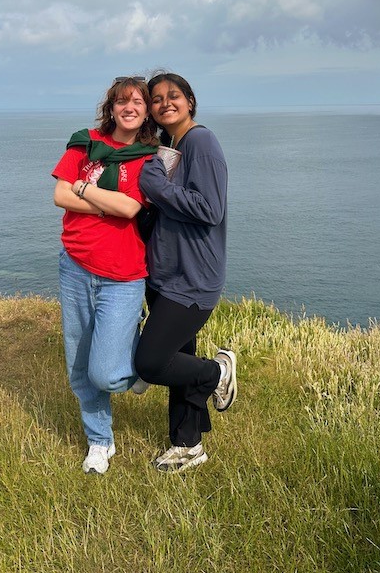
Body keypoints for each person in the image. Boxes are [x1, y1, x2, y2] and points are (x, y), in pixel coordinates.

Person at [52, 77, 158, 474]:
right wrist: (101, 202)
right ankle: (99, 440)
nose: (129, 107)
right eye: (121, 101)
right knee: (79, 365)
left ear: (146, 111)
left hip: (124, 274)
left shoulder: (150, 158)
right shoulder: (85, 142)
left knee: (106, 374)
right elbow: (59, 195)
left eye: (137, 102)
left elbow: (131, 210)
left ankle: (143, 364)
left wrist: (83, 188)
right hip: (75, 266)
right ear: (110, 108)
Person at [134, 72, 237, 472]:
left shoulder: (201, 142)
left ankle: (217, 371)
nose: (164, 103)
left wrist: (155, 185)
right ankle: (188, 445)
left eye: (172, 96)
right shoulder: (169, 146)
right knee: (180, 361)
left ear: (190, 101)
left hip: (193, 279)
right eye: (156, 99)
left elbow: (210, 209)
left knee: (151, 362)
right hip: (165, 274)